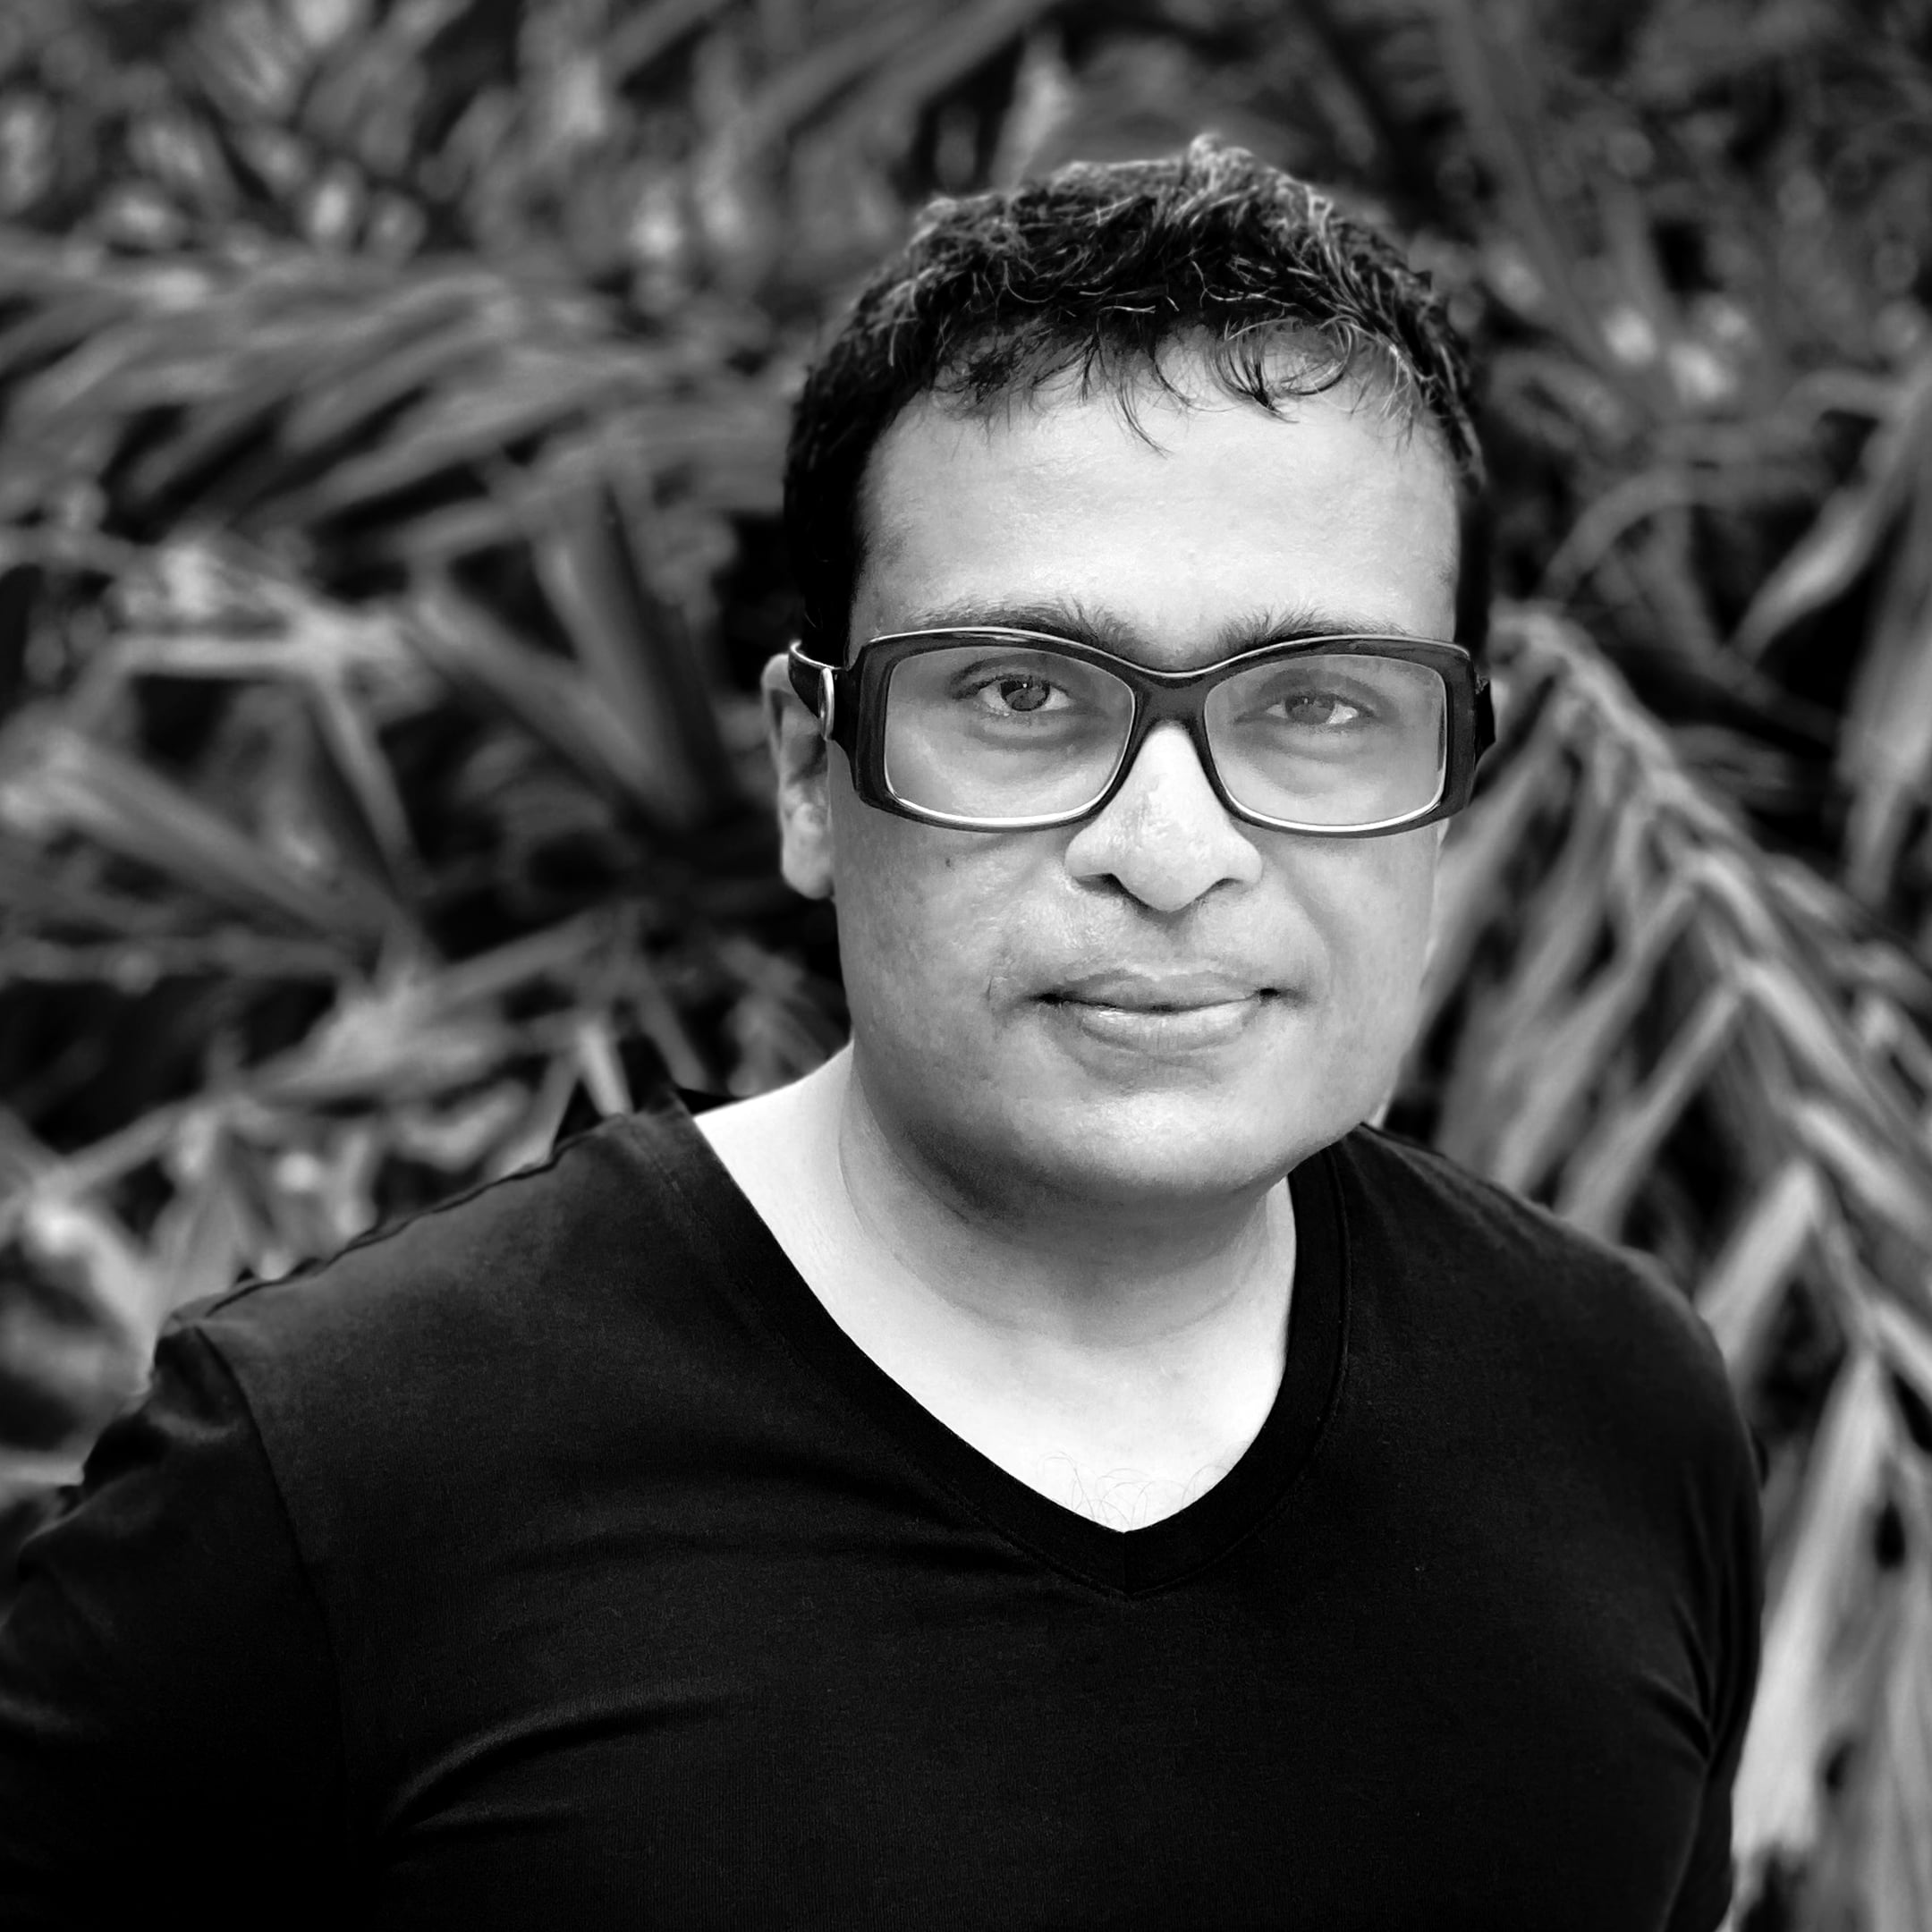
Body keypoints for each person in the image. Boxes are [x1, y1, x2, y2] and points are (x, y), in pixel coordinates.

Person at [0, 140, 1759, 1930]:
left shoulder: (1618, 1416)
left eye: (1317, 706)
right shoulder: (331, 1482)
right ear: (807, 772)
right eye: (1022, 693)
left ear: (1451, 782)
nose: (1171, 849)